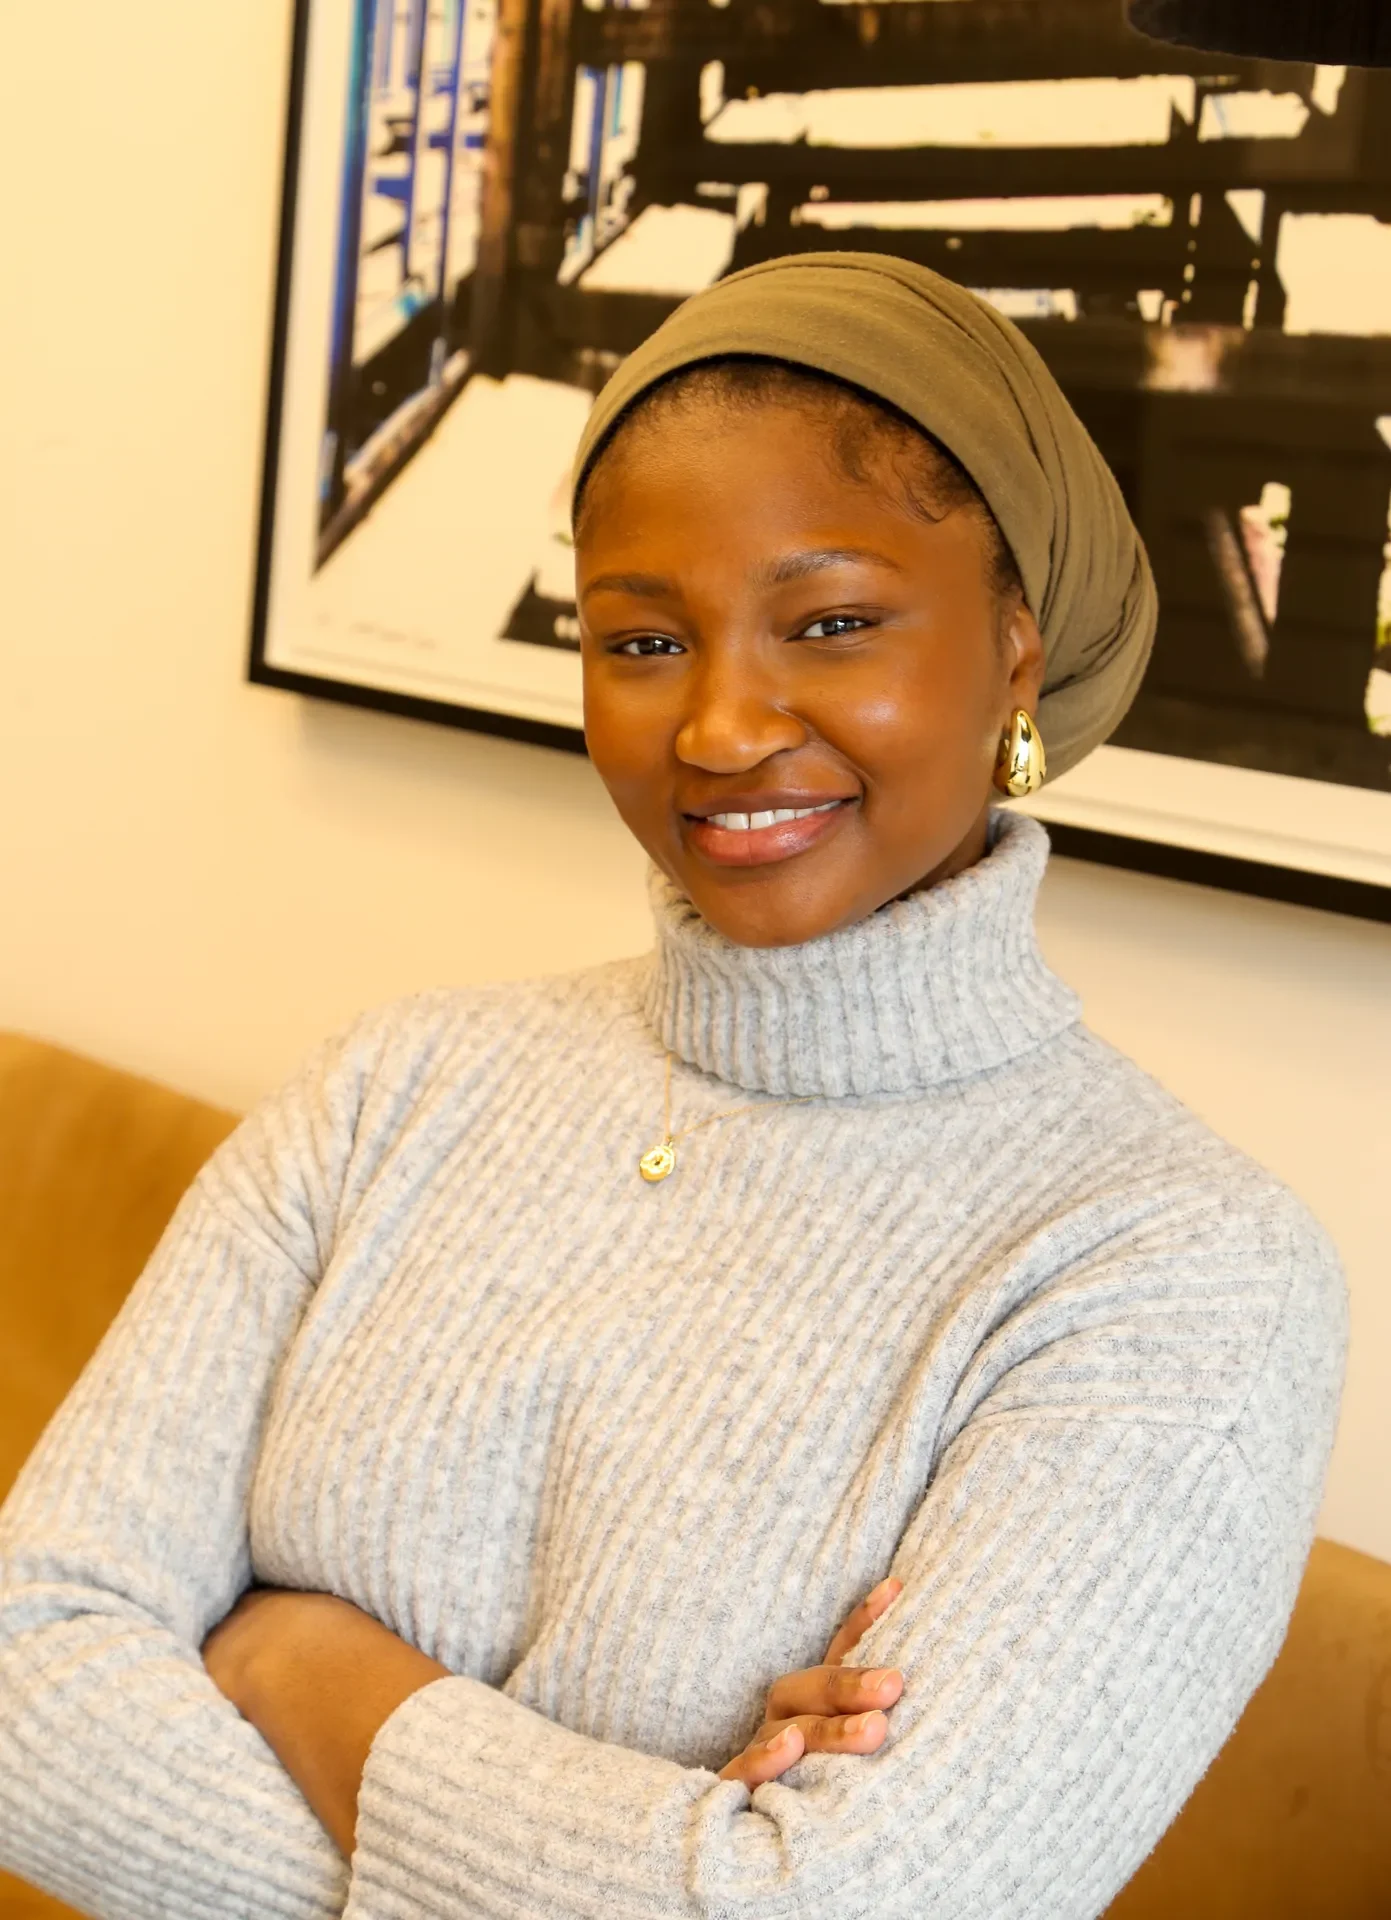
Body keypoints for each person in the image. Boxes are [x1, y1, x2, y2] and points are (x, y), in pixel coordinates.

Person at [0, 253, 1346, 1920]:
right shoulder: (395, 1084)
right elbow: (23, 1682)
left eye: (832, 621)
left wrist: (304, 1666)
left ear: (1015, 650)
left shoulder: (1177, 1268)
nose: (714, 727)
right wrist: (641, 1848)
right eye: (641, 638)